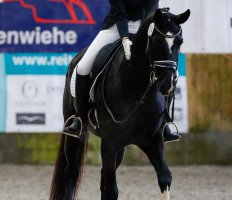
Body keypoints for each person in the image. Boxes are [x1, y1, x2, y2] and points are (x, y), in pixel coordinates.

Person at [63, 0, 181, 143]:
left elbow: (151, 13)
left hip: (144, 28)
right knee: (82, 67)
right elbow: (120, 15)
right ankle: (79, 118)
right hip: (114, 27)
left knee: (166, 68)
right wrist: (124, 38)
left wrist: (145, 32)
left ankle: (165, 122)